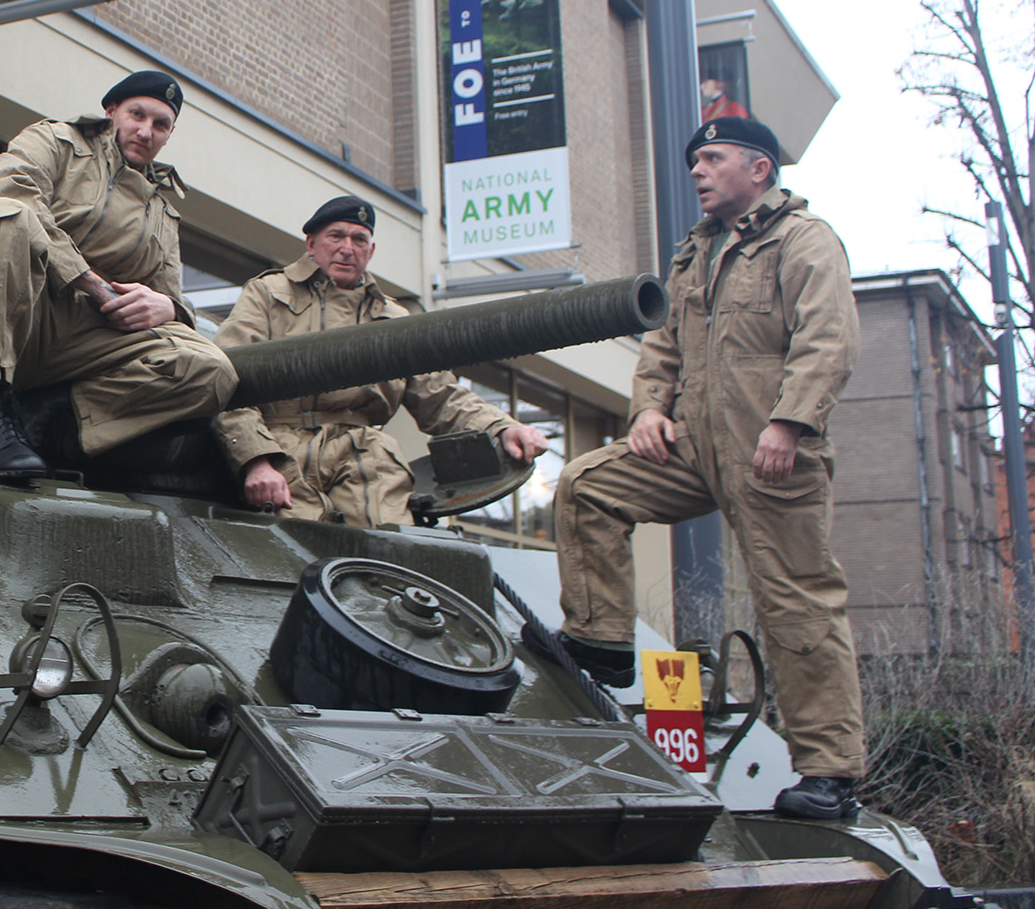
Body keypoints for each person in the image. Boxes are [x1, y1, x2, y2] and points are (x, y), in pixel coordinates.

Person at [537, 117, 864, 820]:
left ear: (760, 170)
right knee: (589, 483)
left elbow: (828, 340)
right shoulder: (694, 254)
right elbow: (662, 351)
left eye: (713, 158)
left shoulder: (803, 240)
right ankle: (601, 644)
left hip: (773, 450)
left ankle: (830, 775)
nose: (699, 171)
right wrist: (649, 410)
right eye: (694, 161)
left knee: (795, 603)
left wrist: (789, 421)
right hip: (691, 445)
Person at [0, 70, 237, 479]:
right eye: (137, 114)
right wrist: (87, 280)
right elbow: (11, 193)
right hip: (19, 313)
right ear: (111, 111)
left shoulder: (163, 210)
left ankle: (51, 413)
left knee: (211, 370)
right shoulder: (55, 142)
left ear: (169, 135)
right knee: (6, 218)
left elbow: (170, 294)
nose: (146, 130)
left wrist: (167, 308)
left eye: (161, 124)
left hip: (88, 347)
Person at [211, 195, 549, 527]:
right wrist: (255, 461)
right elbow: (226, 378)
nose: (348, 248)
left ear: (370, 252)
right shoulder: (268, 295)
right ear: (311, 244)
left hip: (364, 453)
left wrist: (501, 427)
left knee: (391, 545)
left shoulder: (393, 319)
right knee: (293, 546)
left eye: (359, 239)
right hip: (280, 447)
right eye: (336, 236)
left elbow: (441, 396)